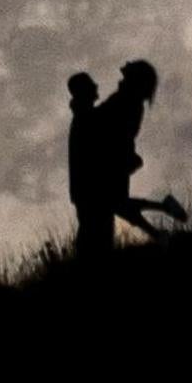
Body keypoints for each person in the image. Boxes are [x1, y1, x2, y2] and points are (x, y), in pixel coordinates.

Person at [93, 59, 187, 244]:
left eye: (126, 76)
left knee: (114, 203)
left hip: (114, 158)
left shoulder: (126, 100)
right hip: (117, 157)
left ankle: (159, 222)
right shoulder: (129, 100)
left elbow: (108, 125)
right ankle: (158, 228)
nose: (122, 79)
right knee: (117, 204)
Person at [68, 72, 114, 259]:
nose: (96, 86)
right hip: (93, 192)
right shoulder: (87, 119)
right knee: (96, 241)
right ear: (84, 91)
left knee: (93, 237)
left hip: (88, 192)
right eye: (91, 84)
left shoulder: (85, 118)